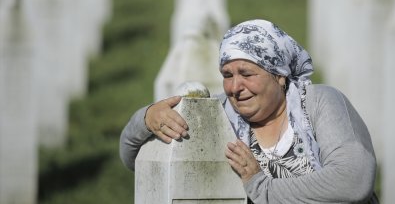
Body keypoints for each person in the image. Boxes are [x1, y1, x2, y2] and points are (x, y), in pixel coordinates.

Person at [119, 19, 379, 203]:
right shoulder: (217, 115)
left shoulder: (319, 102)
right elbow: (137, 161)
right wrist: (146, 118)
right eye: (227, 75)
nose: (234, 87)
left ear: (279, 76)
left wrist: (260, 186)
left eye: (246, 74)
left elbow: (353, 180)